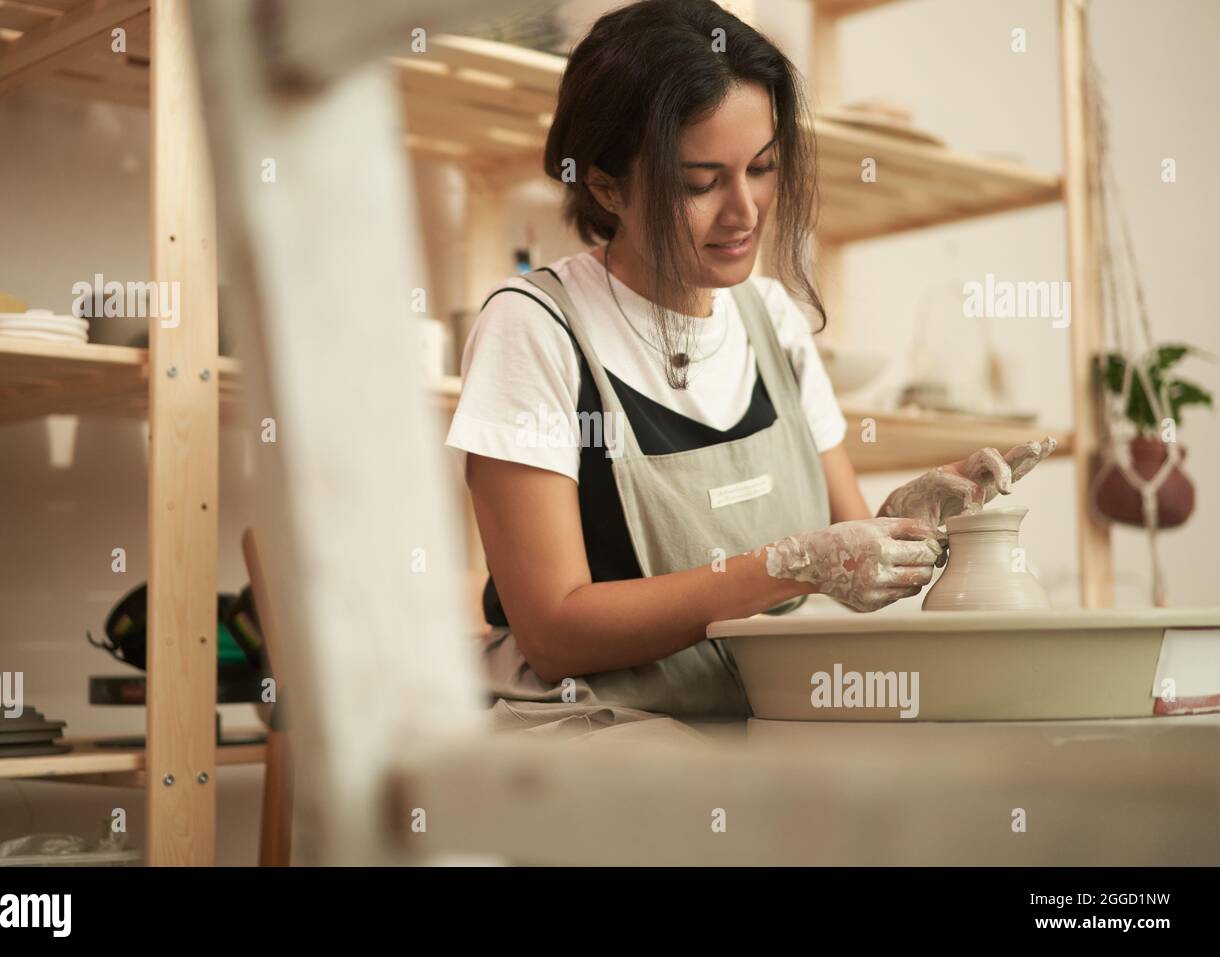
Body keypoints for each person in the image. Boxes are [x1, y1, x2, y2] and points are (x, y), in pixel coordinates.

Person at [444, 0, 1056, 743]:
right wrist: (790, 565)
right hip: (587, 722)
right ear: (606, 186)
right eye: (700, 182)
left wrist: (906, 522)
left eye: (762, 169)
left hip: (753, 713)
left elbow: (842, 545)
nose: (744, 211)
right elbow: (554, 630)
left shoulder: (773, 321)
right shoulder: (535, 328)